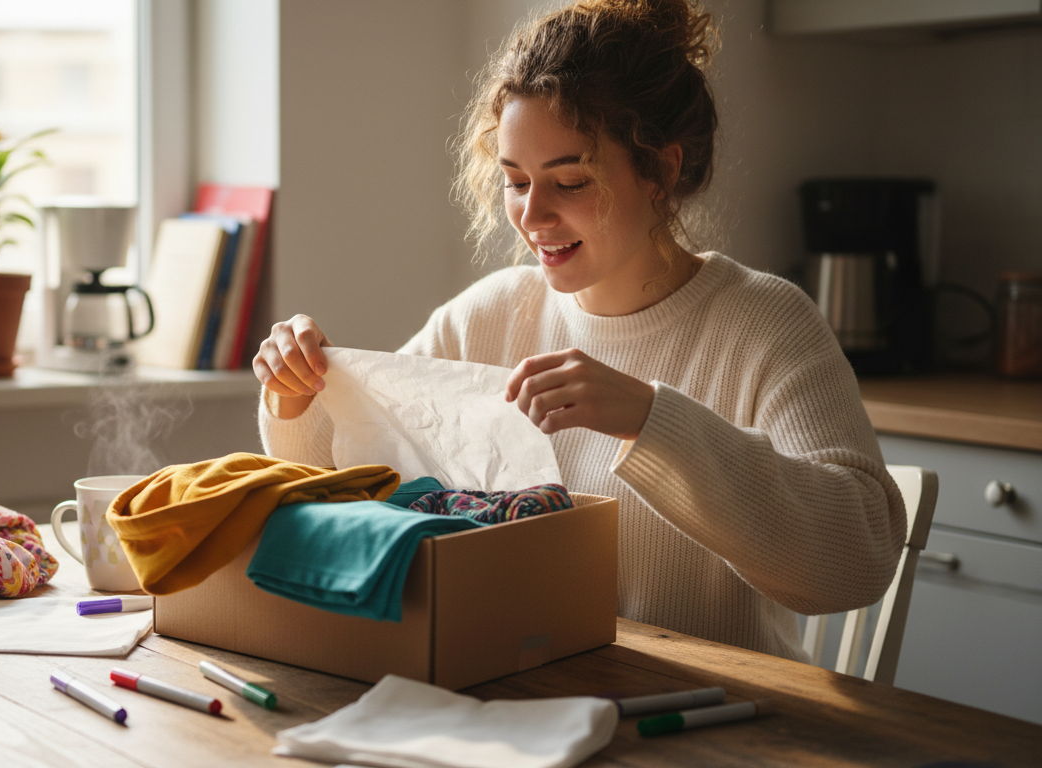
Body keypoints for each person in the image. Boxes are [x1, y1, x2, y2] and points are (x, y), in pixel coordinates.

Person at [251, 0, 905, 662]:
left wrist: (652, 420)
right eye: (515, 181)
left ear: (661, 171)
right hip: (521, 700)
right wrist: (297, 393)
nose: (532, 214)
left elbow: (858, 559)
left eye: (569, 180)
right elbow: (345, 484)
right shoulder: (490, 315)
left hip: (710, 721)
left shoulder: (765, 323)